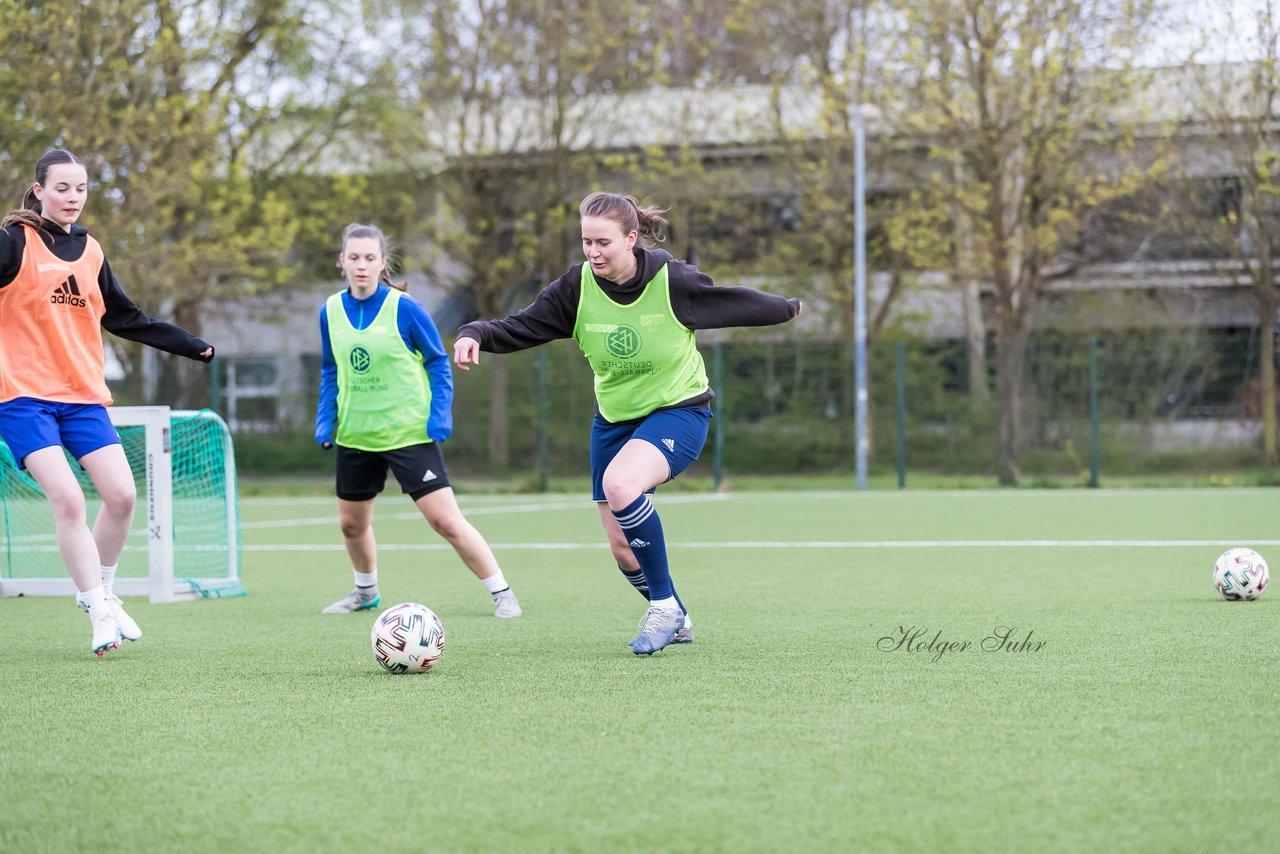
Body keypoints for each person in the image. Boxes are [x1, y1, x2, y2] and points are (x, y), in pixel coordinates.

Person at [454, 191, 801, 655]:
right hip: (614, 421)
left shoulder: (672, 281)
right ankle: (677, 614)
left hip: (680, 410)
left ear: (631, 239)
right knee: (622, 547)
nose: (593, 252)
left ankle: (662, 609)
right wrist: (475, 331)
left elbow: (732, 303)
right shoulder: (576, 289)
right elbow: (523, 325)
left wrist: (785, 308)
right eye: (586, 242)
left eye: (603, 242)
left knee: (621, 485)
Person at [0, 148, 215, 656]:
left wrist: (191, 344)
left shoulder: (92, 251)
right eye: (62, 188)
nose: (72, 197)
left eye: (80, 189)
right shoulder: (13, 242)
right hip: (23, 398)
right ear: (39, 191)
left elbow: (127, 318)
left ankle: (106, 591)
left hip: (81, 398)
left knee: (121, 497)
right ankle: (96, 607)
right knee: (69, 500)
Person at [315, 223, 521, 619]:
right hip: (356, 435)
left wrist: (438, 417)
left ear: (382, 262)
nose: (361, 265)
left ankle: (502, 593)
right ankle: (365, 592)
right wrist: (326, 422)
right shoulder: (330, 310)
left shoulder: (405, 308)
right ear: (342, 261)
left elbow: (438, 364)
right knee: (351, 526)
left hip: (408, 433)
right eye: (354, 257)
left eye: (369, 258)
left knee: (446, 521)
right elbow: (330, 370)